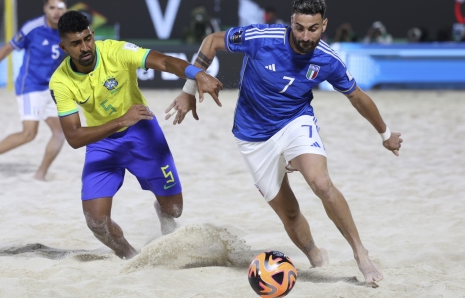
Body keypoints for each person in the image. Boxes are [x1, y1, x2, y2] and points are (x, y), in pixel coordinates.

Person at [167, 0, 402, 284]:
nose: (305, 37)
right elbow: (212, 41)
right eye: (299, 28)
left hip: (295, 122)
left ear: (323, 26)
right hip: (252, 136)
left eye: (313, 29)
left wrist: (385, 134)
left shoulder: (328, 59)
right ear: (291, 22)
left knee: (321, 183)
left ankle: (361, 254)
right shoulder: (261, 38)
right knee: (289, 214)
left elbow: (358, 97)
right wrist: (190, 88)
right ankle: (314, 254)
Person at [49, 11, 223, 259]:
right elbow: (75, 138)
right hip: (102, 144)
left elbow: (162, 61)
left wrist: (197, 74)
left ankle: (161, 209)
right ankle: (131, 257)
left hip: (142, 132)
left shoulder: (115, 51)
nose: (85, 47)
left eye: (87, 39)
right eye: (76, 44)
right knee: (96, 222)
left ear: (93, 35)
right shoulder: (60, 81)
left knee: (174, 210)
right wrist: (121, 120)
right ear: (63, 47)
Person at [0, 0, 67, 181]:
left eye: (60, 7)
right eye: (52, 7)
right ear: (45, 9)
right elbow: (7, 48)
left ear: (66, 9)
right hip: (30, 86)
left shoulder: (68, 30)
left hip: (50, 88)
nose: (56, 12)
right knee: (29, 134)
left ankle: (40, 175)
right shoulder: (33, 28)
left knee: (61, 132)